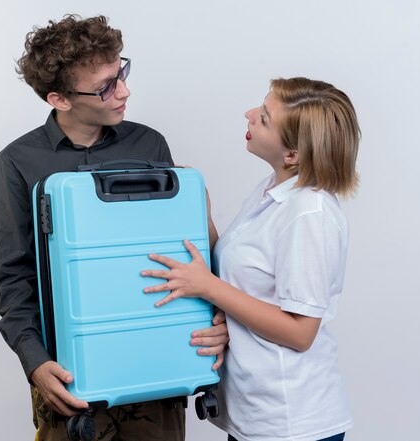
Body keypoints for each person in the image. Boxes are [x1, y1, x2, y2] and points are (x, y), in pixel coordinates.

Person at [0, 14, 228, 441]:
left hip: (157, 370)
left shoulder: (149, 144)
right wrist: (35, 362)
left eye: (122, 74)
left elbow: (186, 249)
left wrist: (219, 312)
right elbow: (10, 276)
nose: (125, 92)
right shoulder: (16, 164)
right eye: (106, 87)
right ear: (59, 99)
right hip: (72, 380)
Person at [142, 77, 360, 441]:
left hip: (291, 423)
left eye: (263, 118)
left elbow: (300, 332)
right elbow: (238, 278)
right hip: (253, 416)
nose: (249, 114)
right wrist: (202, 210)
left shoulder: (309, 213)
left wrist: (207, 287)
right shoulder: (271, 190)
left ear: (293, 155)